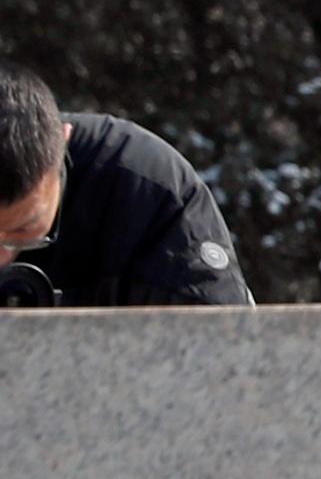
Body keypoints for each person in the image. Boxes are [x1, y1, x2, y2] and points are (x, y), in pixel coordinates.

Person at [0, 59, 251, 309]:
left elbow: (221, 335)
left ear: (63, 144)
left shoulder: (150, 193)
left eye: (22, 231)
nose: (2, 259)